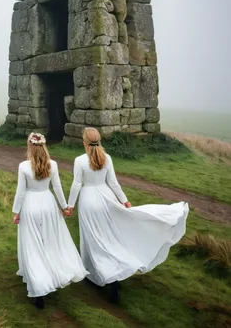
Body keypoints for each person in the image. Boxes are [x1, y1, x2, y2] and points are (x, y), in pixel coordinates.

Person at [64, 127, 189, 303]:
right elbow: (114, 184)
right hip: (106, 198)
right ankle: (110, 272)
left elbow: (77, 184)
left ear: (84, 141)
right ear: (99, 140)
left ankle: (102, 275)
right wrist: (125, 201)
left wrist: (70, 206)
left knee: (92, 238)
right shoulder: (106, 158)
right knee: (108, 236)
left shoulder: (79, 160)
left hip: (88, 201)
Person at [12, 132, 88, 309]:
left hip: (30, 206)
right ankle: (52, 272)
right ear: (44, 146)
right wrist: (64, 206)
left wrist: (16, 211)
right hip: (48, 204)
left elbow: (20, 192)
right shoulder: (52, 165)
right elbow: (57, 187)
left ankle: (39, 285)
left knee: (32, 243)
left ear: (30, 146)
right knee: (50, 242)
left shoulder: (23, 166)